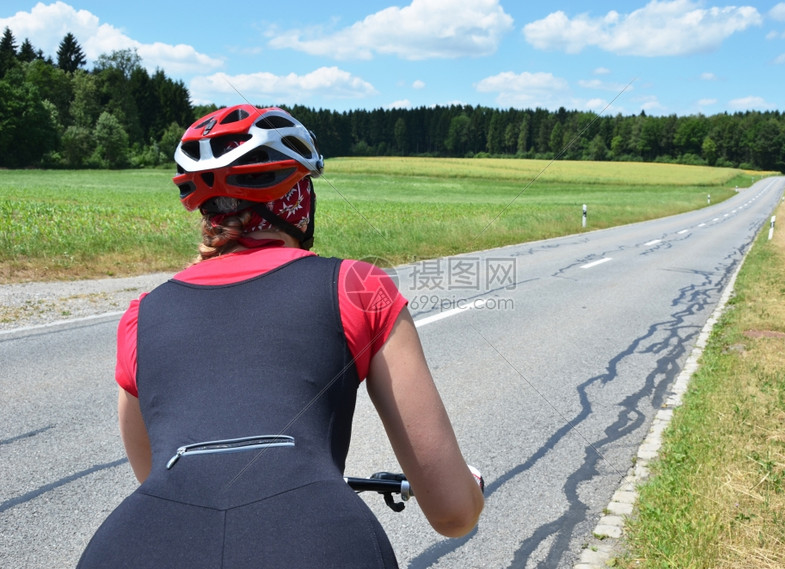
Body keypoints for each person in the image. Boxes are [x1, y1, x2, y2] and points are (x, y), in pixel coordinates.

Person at [77, 104, 483, 568]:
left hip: (135, 547)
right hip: (319, 541)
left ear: (205, 210)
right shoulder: (359, 287)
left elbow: (158, 475)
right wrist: (469, 489)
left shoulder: (140, 317)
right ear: (298, 199)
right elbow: (452, 513)